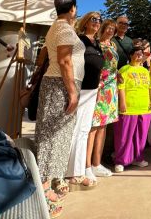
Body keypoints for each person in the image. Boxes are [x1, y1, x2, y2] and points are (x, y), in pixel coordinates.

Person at [35, 0, 84, 218]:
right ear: (72, 8)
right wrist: (73, 92)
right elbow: (64, 60)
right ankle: (43, 191)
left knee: (57, 135)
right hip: (59, 86)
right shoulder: (64, 28)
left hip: (57, 84)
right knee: (53, 136)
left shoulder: (57, 26)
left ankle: (51, 181)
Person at [66, 12, 103, 187]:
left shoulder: (96, 43)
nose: (97, 22)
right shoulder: (79, 40)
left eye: (99, 20)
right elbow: (70, 63)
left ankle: (79, 171)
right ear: (86, 22)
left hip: (92, 91)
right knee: (75, 130)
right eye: (94, 19)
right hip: (81, 89)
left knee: (84, 130)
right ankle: (71, 172)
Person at [114, 42, 151, 172]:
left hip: (144, 107)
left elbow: (150, 87)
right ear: (131, 55)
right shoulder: (124, 69)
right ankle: (121, 161)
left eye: (141, 54)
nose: (139, 56)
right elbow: (121, 87)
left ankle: (138, 158)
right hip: (129, 108)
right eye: (136, 53)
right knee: (124, 136)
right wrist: (122, 102)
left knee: (141, 136)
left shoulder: (145, 71)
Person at [88, 19, 119, 178]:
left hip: (111, 88)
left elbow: (113, 66)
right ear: (103, 29)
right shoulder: (97, 44)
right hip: (101, 87)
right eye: (109, 28)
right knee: (94, 126)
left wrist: (117, 75)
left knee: (103, 126)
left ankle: (96, 163)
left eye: (113, 29)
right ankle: (88, 165)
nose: (111, 31)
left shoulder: (112, 46)